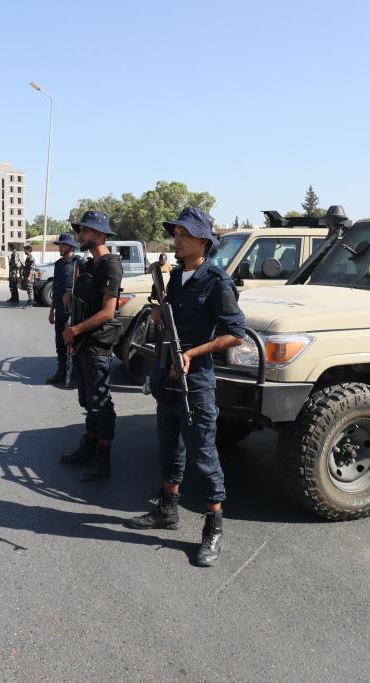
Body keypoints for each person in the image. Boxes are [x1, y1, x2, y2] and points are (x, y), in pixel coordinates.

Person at [126, 207, 246, 568]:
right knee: (169, 447)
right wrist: (159, 315)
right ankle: (167, 509)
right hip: (167, 377)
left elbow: (234, 334)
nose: (176, 239)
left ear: (203, 241)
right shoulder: (175, 277)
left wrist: (193, 352)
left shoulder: (217, 281)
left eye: (184, 234)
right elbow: (166, 319)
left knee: (203, 456)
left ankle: (213, 528)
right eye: (176, 233)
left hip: (196, 381)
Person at [60, 211, 123, 482]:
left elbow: (108, 312)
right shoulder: (89, 265)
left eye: (85, 231)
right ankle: (89, 446)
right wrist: (69, 299)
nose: (79, 235)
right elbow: (87, 303)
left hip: (97, 344)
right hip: (84, 343)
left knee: (100, 402)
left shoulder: (110, 265)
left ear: (99, 234)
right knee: (87, 400)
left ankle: (103, 459)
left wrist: (75, 330)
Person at [45, 233, 80, 385]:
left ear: (71, 247)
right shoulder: (58, 264)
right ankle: (61, 371)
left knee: (74, 344)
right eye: (59, 244)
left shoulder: (80, 263)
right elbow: (56, 288)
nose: (60, 247)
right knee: (60, 342)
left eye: (63, 245)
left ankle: (75, 374)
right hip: (59, 310)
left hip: (75, 313)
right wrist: (51, 310)